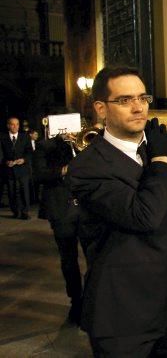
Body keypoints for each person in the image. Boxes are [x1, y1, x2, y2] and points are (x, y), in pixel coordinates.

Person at [68, 66, 167, 356]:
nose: (138, 107)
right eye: (124, 100)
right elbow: (142, 215)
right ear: (101, 109)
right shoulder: (87, 167)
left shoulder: (159, 148)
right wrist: (161, 159)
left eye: (143, 98)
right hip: (126, 313)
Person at [34, 133, 85, 324]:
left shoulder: (86, 141)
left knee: (97, 257)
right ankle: (76, 303)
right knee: (69, 260)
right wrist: (64, 169)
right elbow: (39, 174)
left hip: (87, 209)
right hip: (61, 209)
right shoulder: (46, 146)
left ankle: (94, 300)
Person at [1, 117, 33, 219]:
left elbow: (29, 152)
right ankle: (15, 211)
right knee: (12, 191)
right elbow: (0, 154)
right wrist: (5, 162)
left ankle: (25, 212)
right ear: (8, 126)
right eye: (13, 124)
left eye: (17, 124)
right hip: (9, 170)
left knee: (24, 191)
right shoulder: (2, 138)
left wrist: (23, 160)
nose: (15, 126)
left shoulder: (25, 137)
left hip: (22, 169)